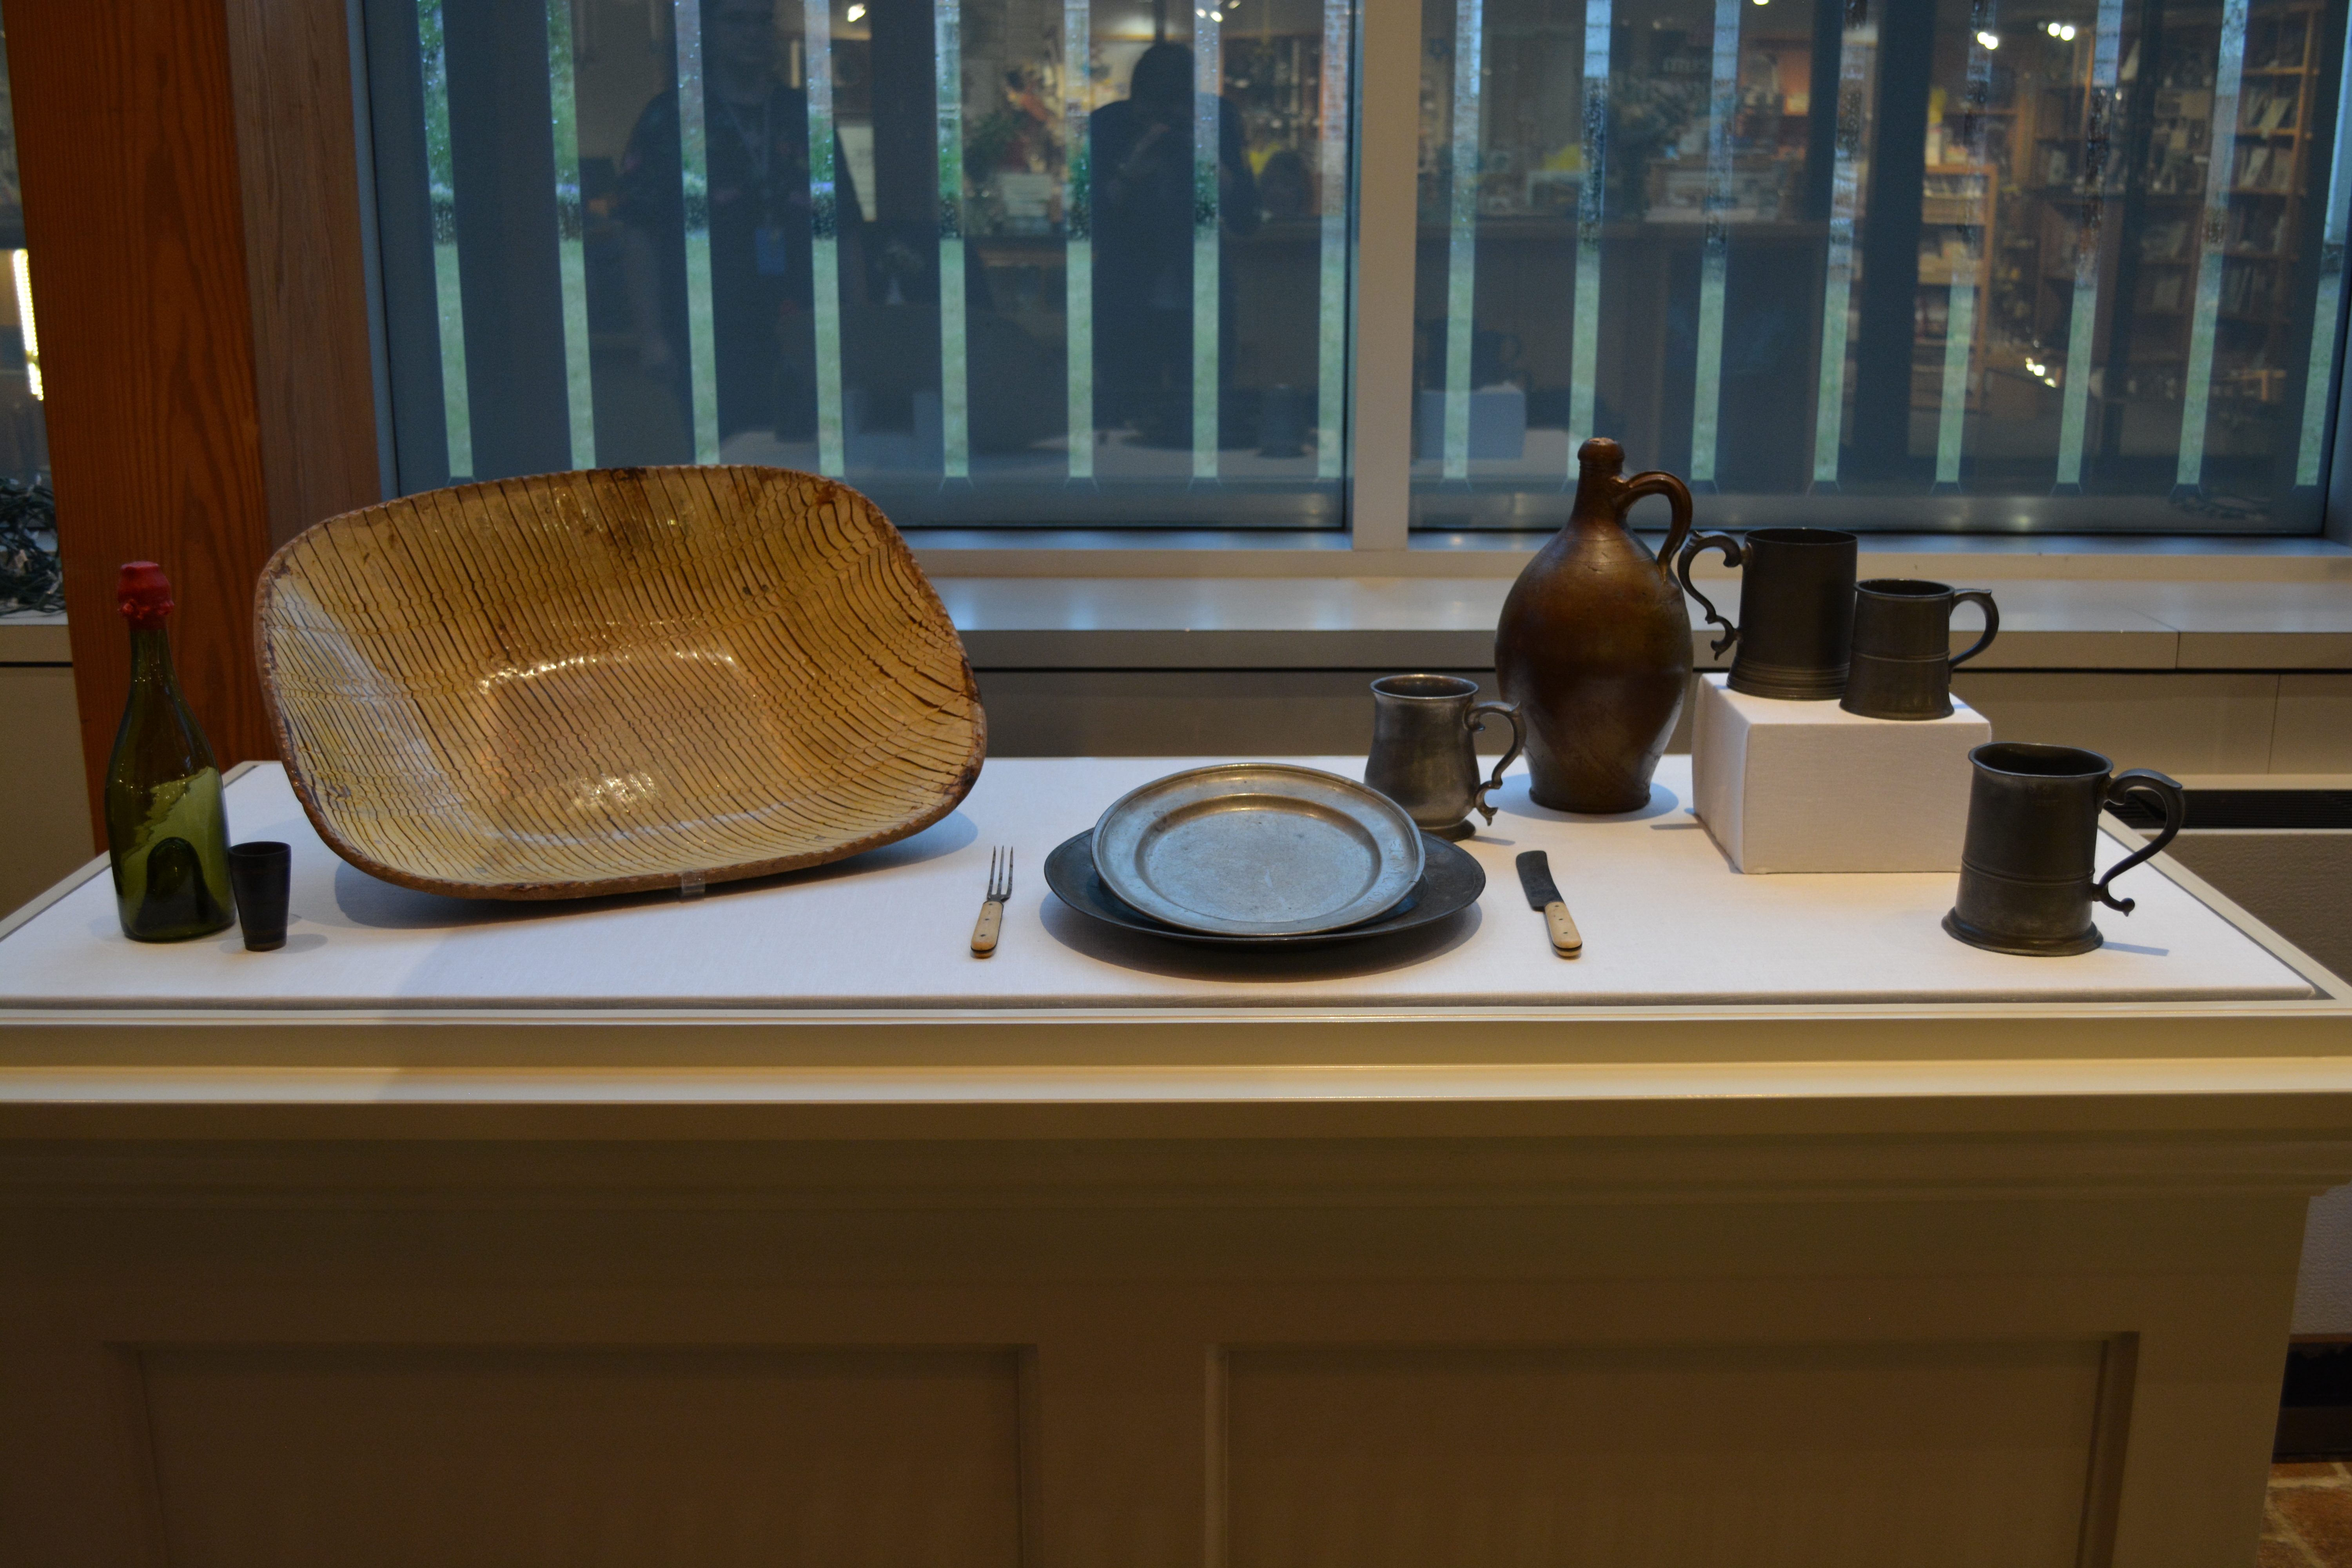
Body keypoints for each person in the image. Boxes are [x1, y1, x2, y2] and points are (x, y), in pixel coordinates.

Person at [617, 0, 863, 445]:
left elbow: (843, 228)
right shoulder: (668, 119)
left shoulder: (804, 117)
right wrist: (651, 335)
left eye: (761, 20)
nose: (752, 32)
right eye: (736, 20)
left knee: (812, 468)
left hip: (805, 331)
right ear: (708, 29)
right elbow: (639, 233)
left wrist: (861, 324)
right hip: (709, 333)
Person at [1089, 42, 1257, 446]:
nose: (1164, 124)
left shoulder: (1217, 122)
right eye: (1151, 114)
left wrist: (1215, 167)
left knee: (1204, 416)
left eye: (1177, 115)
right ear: (1137, 102)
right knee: (1125, 413)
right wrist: (1131, 169)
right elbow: (1088, 220)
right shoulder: (1110, 125)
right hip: (1126, 296)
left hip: (1200, 292)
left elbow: (1247, 218)